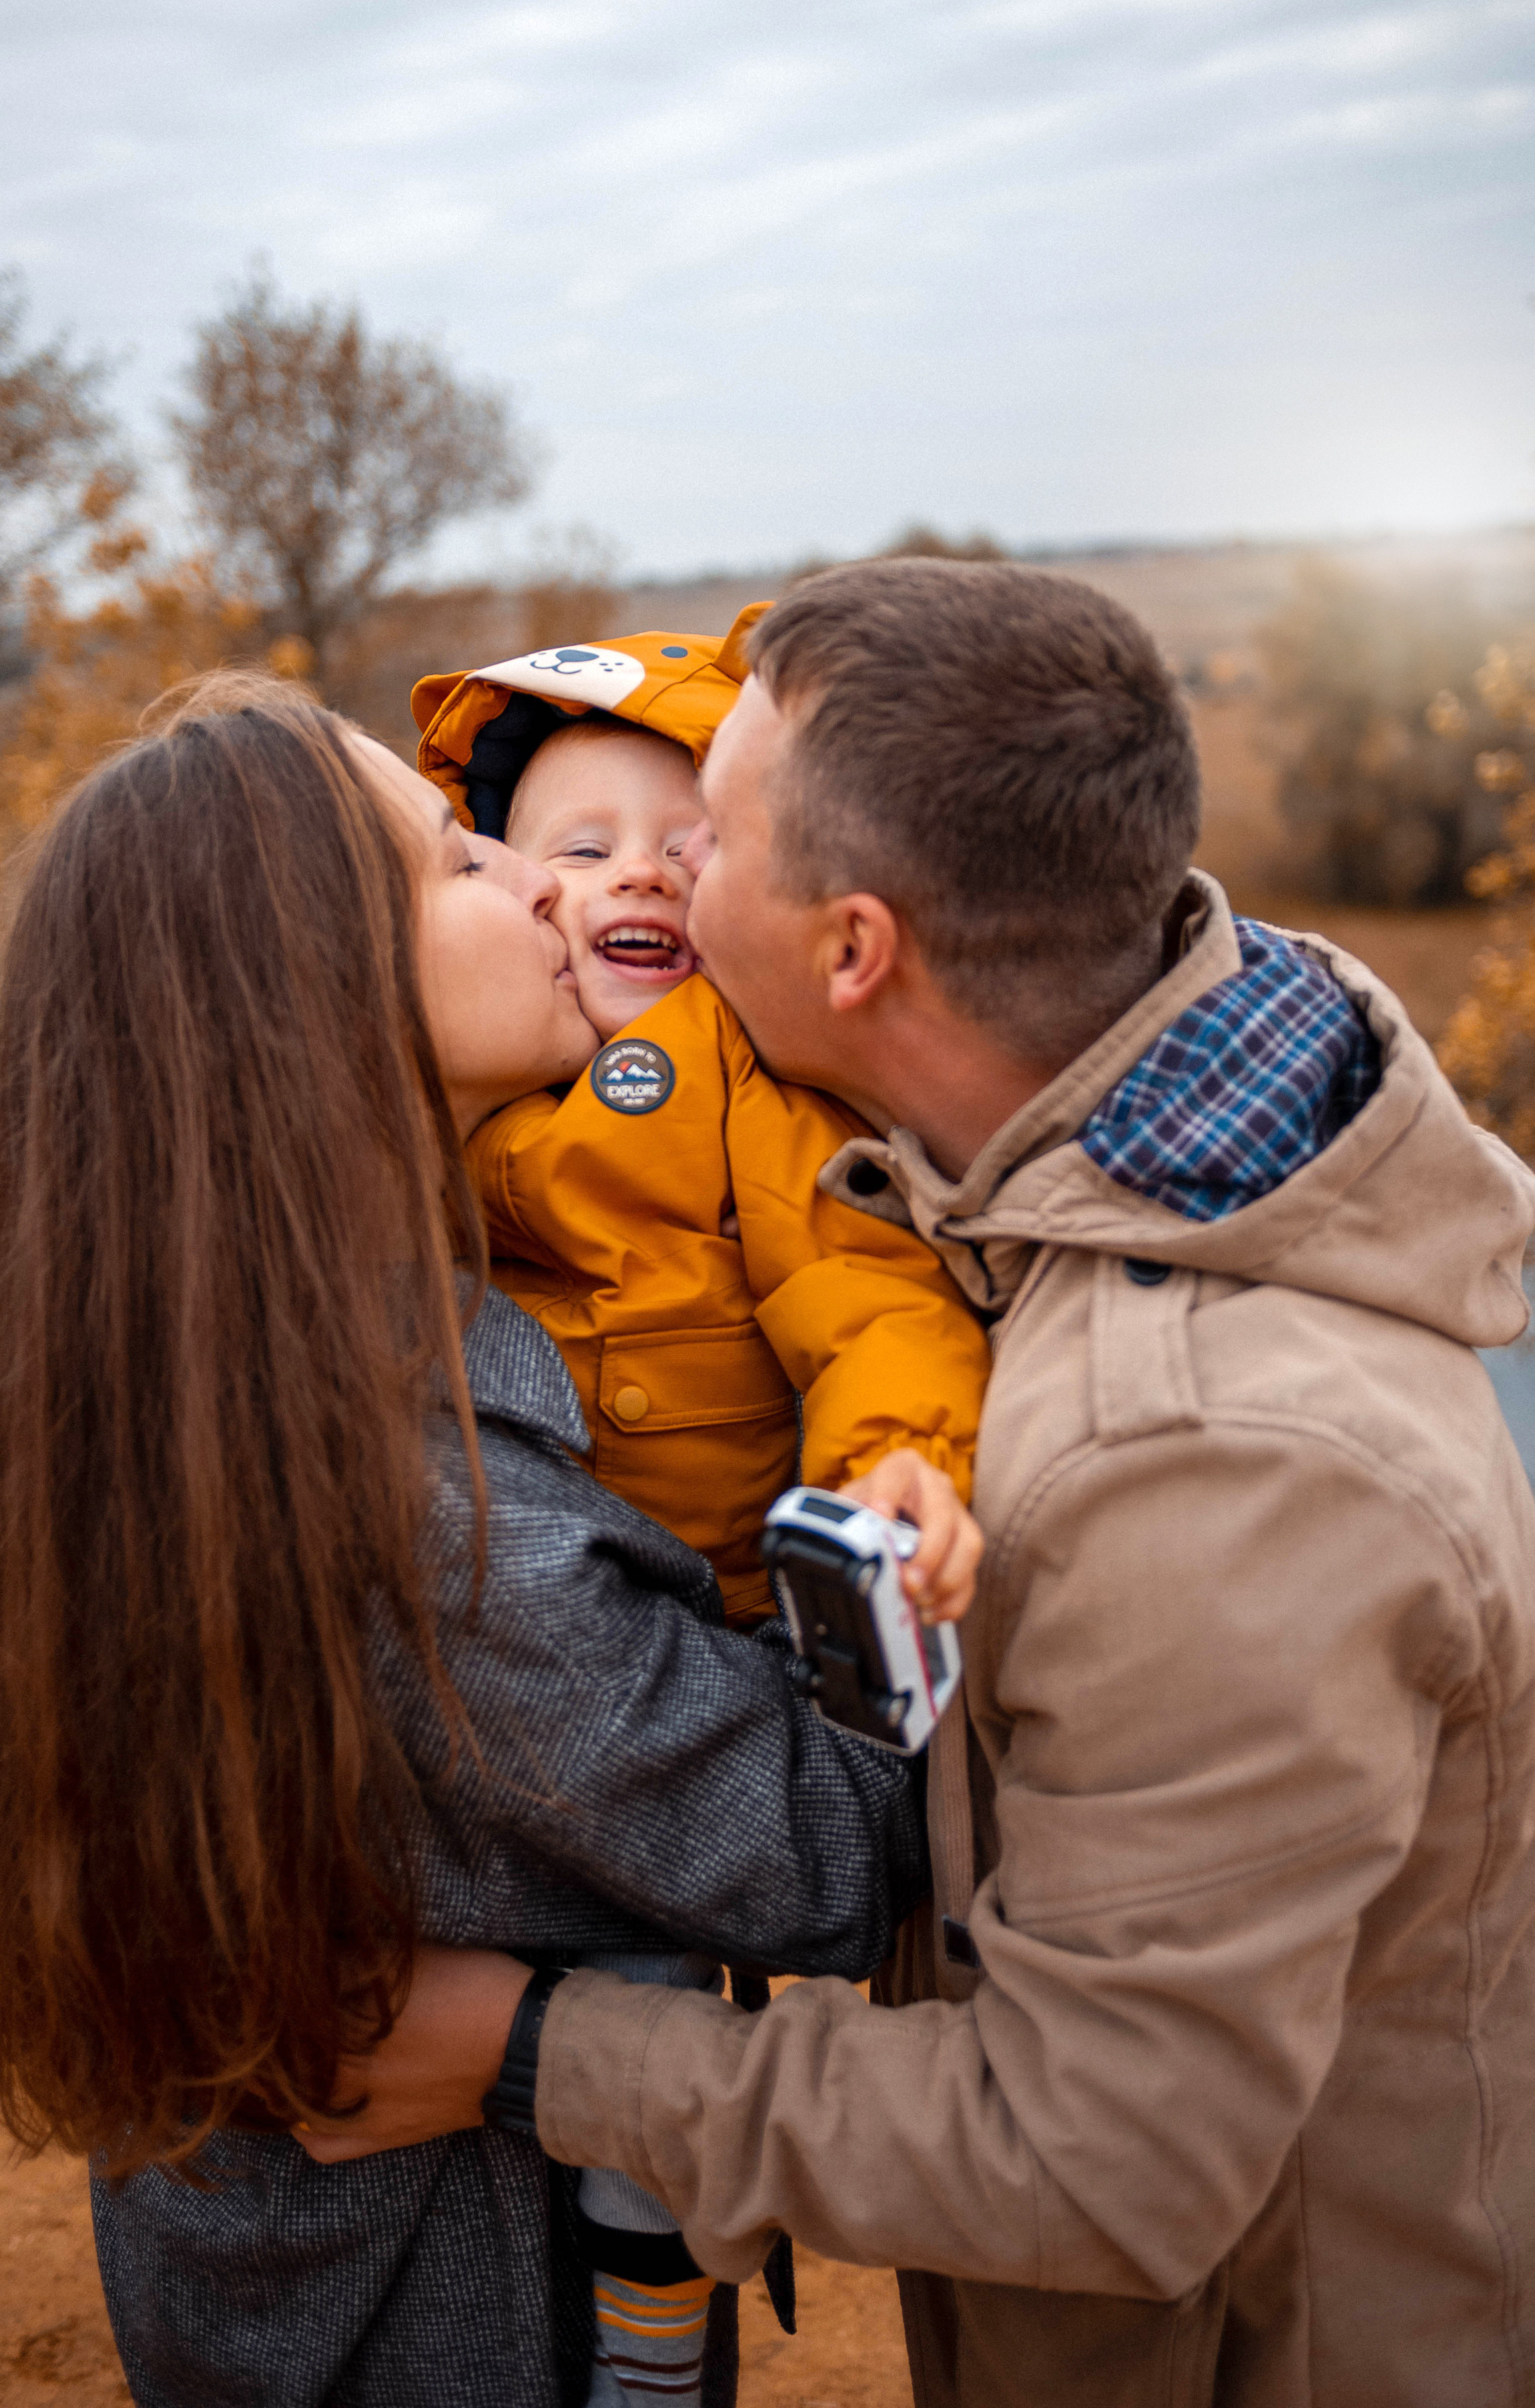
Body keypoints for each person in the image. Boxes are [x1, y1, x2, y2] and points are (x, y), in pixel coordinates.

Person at [309, 561, 1535, 2408]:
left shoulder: (1215, 1473)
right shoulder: (1029, 1177)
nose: (630, 887)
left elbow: (1098, 2156)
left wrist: (534, 2048)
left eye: (709, 840)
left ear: (853, 951)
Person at [0, 672, 962, 2408]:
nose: (538, 883)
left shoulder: (165, 1392)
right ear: (312, 998)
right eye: (461, 860)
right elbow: (829, 1847)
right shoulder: (453, 1541)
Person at [412, 613, 991, 1624]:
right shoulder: (458, 1059)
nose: (644, 873)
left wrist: (894, 1457)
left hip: (732, 1608)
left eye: (690, 849)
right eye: (586, 849)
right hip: (512, 1579)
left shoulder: (735, 1069)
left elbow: (859, 1289)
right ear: (519, 885)